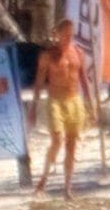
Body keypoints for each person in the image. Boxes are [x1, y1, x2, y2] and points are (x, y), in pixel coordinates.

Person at [37, 18, 92, 200]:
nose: (68, 38)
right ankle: (45, 176)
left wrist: (90, 103)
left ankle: (67, 187)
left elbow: (84, 78)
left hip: (74, 101)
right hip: (56, 100)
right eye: (65, 34)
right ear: (57, 35)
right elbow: (39, 82)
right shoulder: (48, 56)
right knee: (57, 139)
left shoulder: (78, 53)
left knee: (72, 143)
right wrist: (32, 107)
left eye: (71, 34)